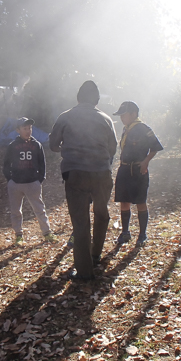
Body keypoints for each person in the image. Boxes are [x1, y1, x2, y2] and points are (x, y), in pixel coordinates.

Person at [49, 80, 117, 280]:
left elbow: (53, 145)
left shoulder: (65, 116)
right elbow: (113, 148)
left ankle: (84, 271)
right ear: (96, 99)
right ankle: (96, 255)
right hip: (101, 173)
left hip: (75, 173)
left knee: (80, 221)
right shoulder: (106, 119)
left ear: (78, 98)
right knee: (101, 214)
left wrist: (69, 149)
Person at [113, 101, 163, 246]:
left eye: (124, 115)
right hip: (124, 169)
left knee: (140, 201)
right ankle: (125, 232)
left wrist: (146, 161)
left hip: (138, 169)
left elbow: (154, 148)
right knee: (124, 201)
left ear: (133, 114)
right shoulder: (125, 129)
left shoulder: (144, 129)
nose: (122, 118)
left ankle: (142, 234)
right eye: (121, 115)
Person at [3, 117, 55, 245]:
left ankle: (47, 233)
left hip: (32, 183)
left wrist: (40, 179)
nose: (28, 131)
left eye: (30, 128)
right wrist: (10, 180)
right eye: (25, 128)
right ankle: (19, 235)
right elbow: (6, 164)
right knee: (16, 211)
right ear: (18, 130)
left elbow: (42, 163)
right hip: (16, 183)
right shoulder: (12, 146)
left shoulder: (37, 145)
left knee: (39, 209)